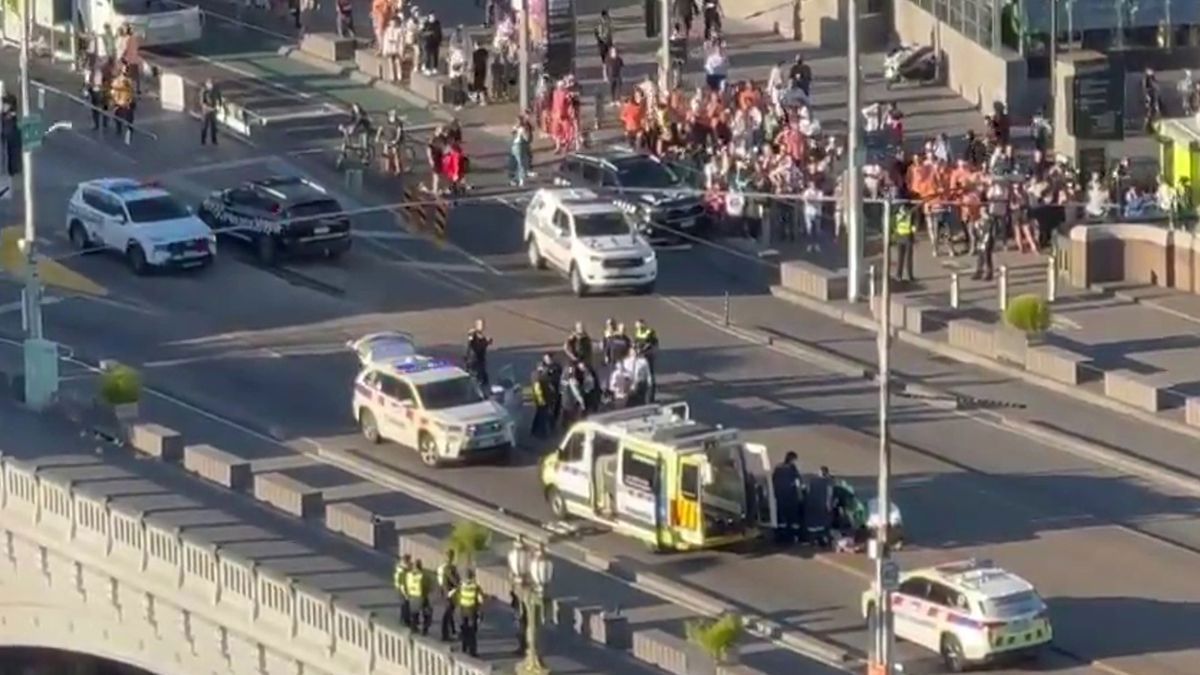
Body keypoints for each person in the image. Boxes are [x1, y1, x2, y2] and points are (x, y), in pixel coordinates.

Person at [771, 451, 804, 544]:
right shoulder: (792, 468)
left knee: (781, 517)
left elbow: (773, 480)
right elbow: (798, 481)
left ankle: (780, 536)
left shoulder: (778, 467)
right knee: (792, 518)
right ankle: (791, 537)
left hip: (779, 496)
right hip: (790, 496)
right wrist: (800, 493)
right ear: (792, 459)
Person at [530, 353, 561, 437]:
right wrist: (542, 401)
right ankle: (542, 433)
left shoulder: (539, 374)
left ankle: (534, 430)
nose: (544, 368)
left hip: (543, 398)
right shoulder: (538, 376)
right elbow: (538, 389)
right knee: (543, 416)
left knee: (540, 414)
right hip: (542, 399)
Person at [458, 569, 483, 657]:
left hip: (463, 609)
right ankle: (472, 651)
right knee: (472, 631)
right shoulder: (475, 587)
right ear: (473, 576)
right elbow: (481, 600)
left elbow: (459, 595)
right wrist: (481, 611)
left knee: (464, 628)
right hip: (472, 610)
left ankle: (464, 647)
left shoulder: (462, 585)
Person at [438, 549, 461, 642]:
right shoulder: (448, 568)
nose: (451, 558)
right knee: (448, 612)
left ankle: (451, 632)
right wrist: (459, 585)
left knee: (449, 612)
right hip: (449, 593)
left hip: (448, 592)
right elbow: (453, 579)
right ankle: (445, 634)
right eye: (451, 556)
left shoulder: (447, 567)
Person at [632, 319, 658, 401]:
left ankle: (651, 395)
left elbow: (653, 344)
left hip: (648, 356)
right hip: (640, 356)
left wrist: (644, 350)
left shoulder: (650, 332)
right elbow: (636, 343)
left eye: (639, 325)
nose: (638, 327)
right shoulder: (638, 332)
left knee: (650, 375)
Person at [109, 65, 136, 143]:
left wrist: (131, 100)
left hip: (127, 101)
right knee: (118, 116)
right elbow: (113, 90)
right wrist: (114, 99)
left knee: (129, 117)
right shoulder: (118, 80)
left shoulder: (129, 80)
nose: (126, 71)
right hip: (119, 101)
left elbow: (131, 91)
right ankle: (119, 128)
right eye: (125, 69)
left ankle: (129, 128)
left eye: (127, 70)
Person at [405, 559, 432, 635]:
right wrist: (426, 593)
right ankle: (425, 629)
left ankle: (414, 628)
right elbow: (427, 586)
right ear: (420, 566)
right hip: (421, 596)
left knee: (414, 613)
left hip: (412, 596)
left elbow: (407, 584)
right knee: (427, 613)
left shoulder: (409, 574)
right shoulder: (423, 575)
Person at [376, 109, 406, 175]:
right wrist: (377, 137)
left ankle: (398, 170)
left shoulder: (398, 123)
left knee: (395, 154)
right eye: (393, 114)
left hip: (394, 140)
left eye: (395, 115)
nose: (394, 116)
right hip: (387, 139)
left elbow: (399, 132)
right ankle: (387, 169)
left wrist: (396, 140)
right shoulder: (385, 122)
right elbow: (380, 129)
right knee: (386, 155)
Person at [464, 319, 491, 390]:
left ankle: (482, 387)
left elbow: (483, 345)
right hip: (475, 360)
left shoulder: (481, 337)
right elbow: (472, 344)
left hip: (478, 360)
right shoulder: (473, 337)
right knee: (476, 376)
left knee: (482, 376)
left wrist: (487, 342)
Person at [891, 203, 915, 283]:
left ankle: (899, 275)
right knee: (908, 258)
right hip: (908, 236)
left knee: (900, 257)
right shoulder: (910, 213)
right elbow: (913, 225)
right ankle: (909, 276)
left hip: (900, 236)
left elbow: (893, 225)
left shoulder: (896, 214)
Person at [394, 554, 415, 627]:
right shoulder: (402, 570)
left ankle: (403, 618)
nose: (410, 562)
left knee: (404, 603)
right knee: (405, 603)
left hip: (402, 587)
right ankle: (405, 620)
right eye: (409, 560)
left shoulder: (401, 567)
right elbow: (403, 581)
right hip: (403, 588)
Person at [199, 78, 222, 146]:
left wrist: (219, 105)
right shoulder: (204, 91)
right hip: (206, 111)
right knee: (204, 126)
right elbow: (202, 102)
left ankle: (214, 140)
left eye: (211, 84)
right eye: (209, 84)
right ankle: (203, 140)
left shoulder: (215, 91)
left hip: (213, 110)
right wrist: (207, 108)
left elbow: (219, 98)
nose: (210, 85)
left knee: (214, 126)